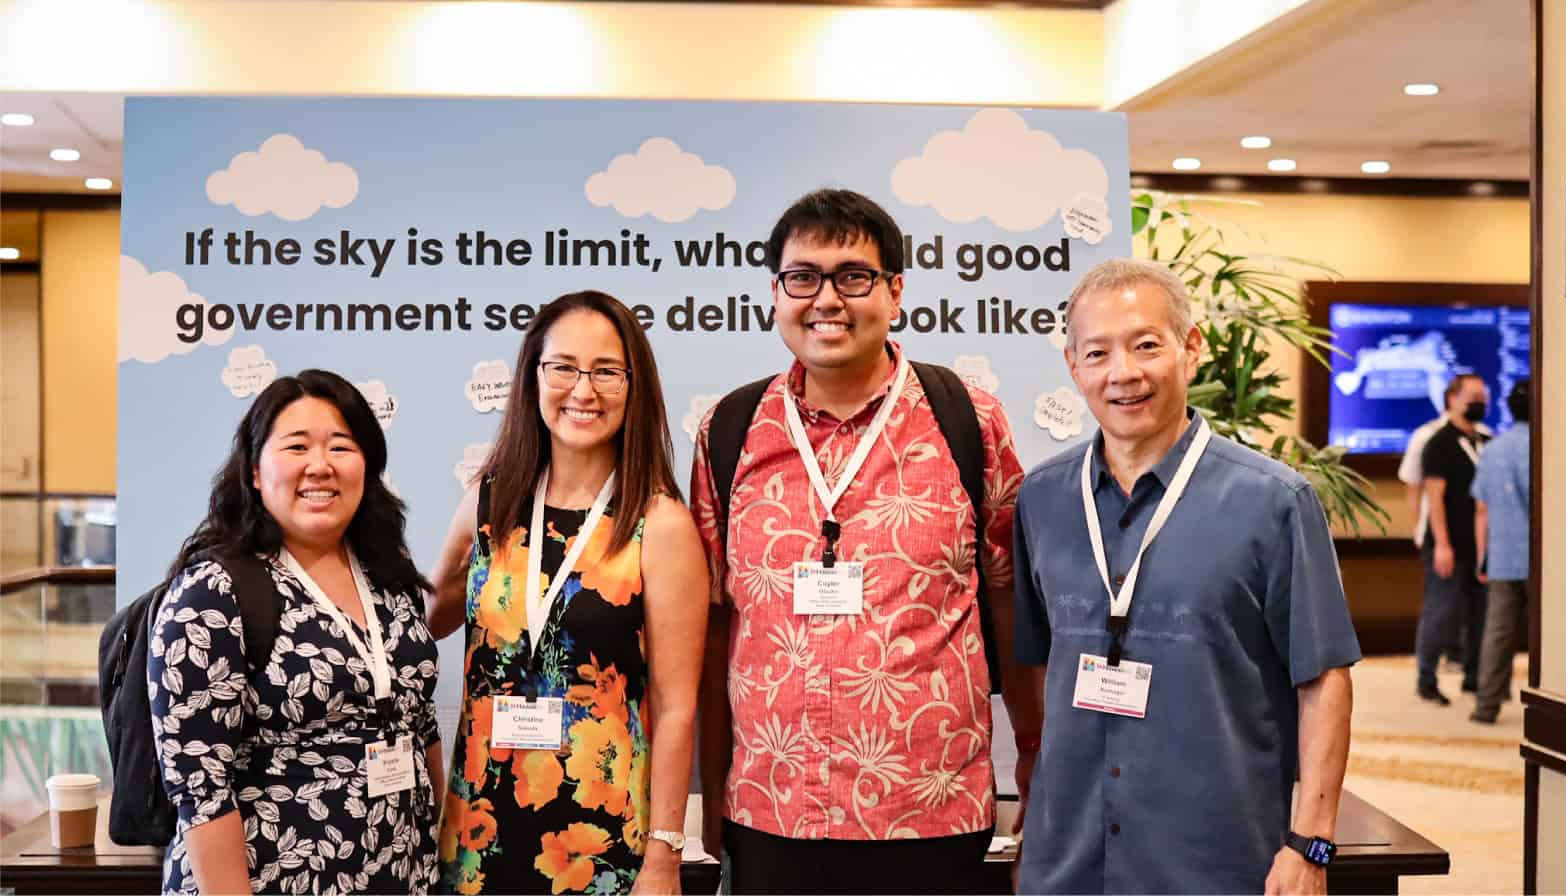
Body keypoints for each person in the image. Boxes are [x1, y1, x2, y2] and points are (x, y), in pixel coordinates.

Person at [689, 188, 1042, 895]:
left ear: (895, 290)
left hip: (930, 810)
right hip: (772, 806)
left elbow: (1007, 605)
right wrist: (715, 789)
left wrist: (1035, 763)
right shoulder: (728, 431)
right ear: (775, 293)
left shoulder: (968, 420)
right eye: (803, 277)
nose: (826, 299)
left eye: (853, 276)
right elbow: (715, 626)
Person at [1011, 259, 1359, 895]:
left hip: (1214, 861)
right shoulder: (1042, 500)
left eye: (1146, 345)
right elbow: (1035, 669)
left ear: (1190, 348)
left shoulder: (1275, 502)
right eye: (1098, 353)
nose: (1123, 374)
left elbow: (1324, 678)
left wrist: (1311, 842)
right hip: (1067, 865)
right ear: (1073, 366)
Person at [428, 291, 707, 895]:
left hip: (600, 840)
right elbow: (427, 619)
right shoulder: (489, 502)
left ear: (636, 387)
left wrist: (665, 855)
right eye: (564, 368)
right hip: (478, 829)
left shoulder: (658, 524)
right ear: (534, 376)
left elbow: (676, 704)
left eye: (606, 371)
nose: (583, 391)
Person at [149, 369, 442, 895]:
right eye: (297, 446)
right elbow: (202, 789)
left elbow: (420, 728)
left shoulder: (389, 576)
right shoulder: (212, 593)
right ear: (256, 471)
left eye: (340, 446)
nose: (320, 466)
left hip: (401, 876)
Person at [1415, 373, 1491, 704]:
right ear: (1452, 400)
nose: (1480, 403)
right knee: (1441, 612)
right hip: (1448, 544)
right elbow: (1434, 497)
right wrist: (1442, 544)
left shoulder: (1488, 441)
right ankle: (1426, 679)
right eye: (1473, 396)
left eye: (1483, 397)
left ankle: (1475, 677)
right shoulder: (1439, 443)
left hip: (1483, 545)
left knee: (1480, 613)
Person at [1469, 378, 1531, 724]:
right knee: (1552, 636)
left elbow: (1482, 509)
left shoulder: (1493, 449)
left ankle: (1486, 707)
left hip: (1503, 555)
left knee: (1497, 634)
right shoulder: (1550, 446)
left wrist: (1483, 556)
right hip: (1545, 563)